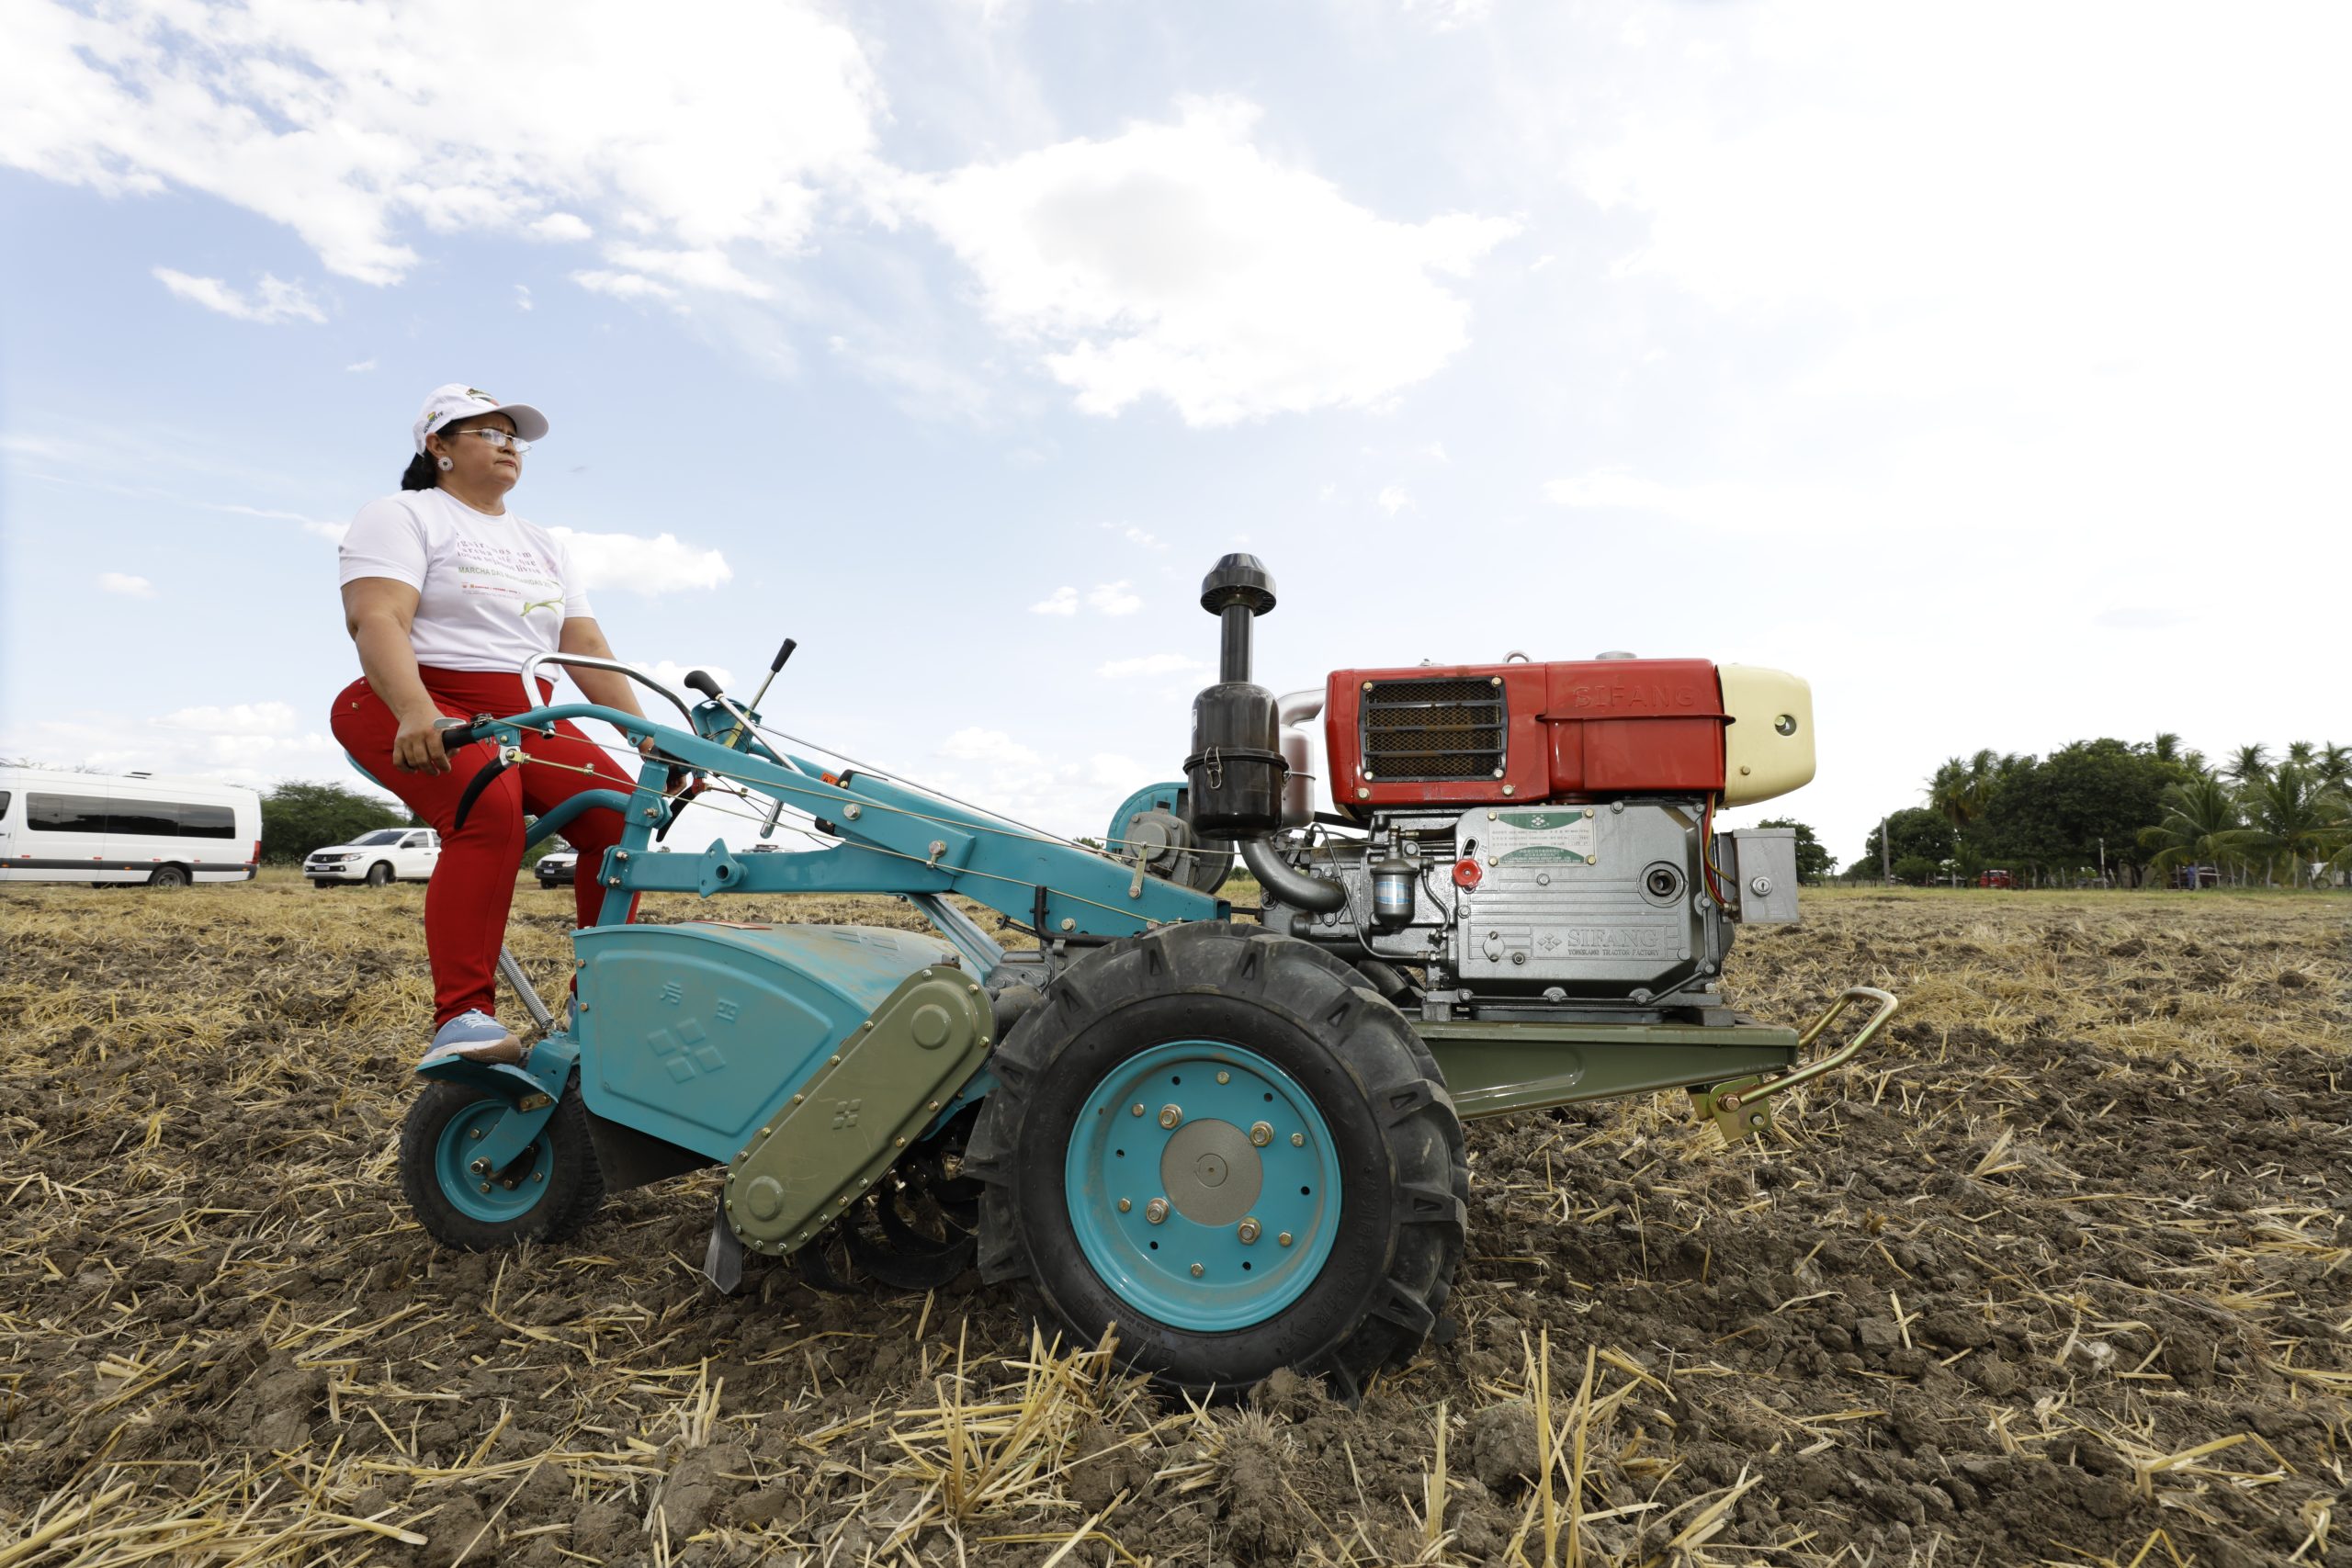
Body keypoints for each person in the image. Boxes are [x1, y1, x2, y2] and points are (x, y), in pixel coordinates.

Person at [331, 384, 651, 1069]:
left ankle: (599, 1002)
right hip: (421, 694)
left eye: (515, 436)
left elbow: (585, 649)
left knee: (624, 819)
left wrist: (646, 736)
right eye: (487, 432)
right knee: (491, 808)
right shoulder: (403, 515)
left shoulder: (544, 544)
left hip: (531, 711)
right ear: (438, 447)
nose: (508, 445)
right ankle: (463, 1017)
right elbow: (376, 617)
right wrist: (418, 709)